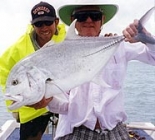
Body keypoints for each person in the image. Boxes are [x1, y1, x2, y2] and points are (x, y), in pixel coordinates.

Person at [17, 1, 155, 140]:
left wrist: (146, 37)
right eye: (82, 16)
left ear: (102, 20)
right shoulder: (59, 55)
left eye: (94, 16)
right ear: (73, 20)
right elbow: (63, 107)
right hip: (75, 131)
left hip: (115, 130)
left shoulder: (119, 46)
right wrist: (48, 99)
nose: (89, 20)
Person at [0, 1, 66, 140]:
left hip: (63, 100)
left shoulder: (66, 38)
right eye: (38, 24)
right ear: (32, 25)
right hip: (33, 107)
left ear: (56, 21)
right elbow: (3, 72)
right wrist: (16, 108)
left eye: (48, 22)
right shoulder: (18, 49)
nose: (44, 28)